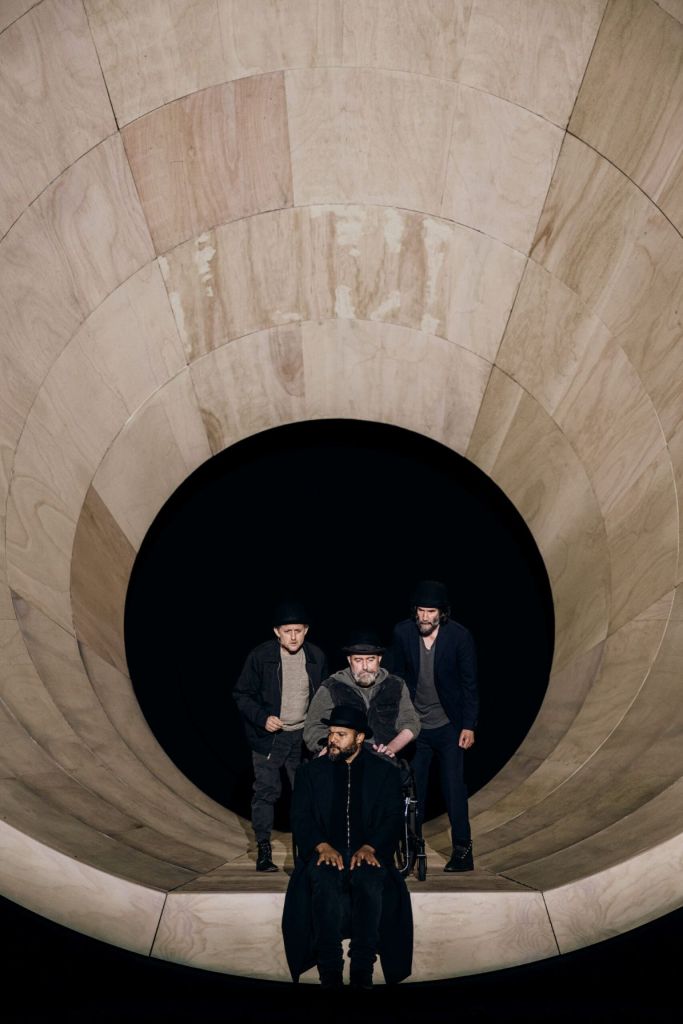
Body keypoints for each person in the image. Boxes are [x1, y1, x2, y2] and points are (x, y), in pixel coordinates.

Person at [282, 705, 413, 988]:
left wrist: (371, 847)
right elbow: (300, 817)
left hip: (369, 852)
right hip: (325, 851)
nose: (332, 739)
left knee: (370, 879)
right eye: (331, 733)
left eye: (341, 734)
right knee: (324, 879)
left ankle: (362, 970)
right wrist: (321, 845)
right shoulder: (310, 772)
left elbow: (392, 818)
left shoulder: (384, 772)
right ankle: (329, 972)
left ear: (359, 738)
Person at [388, 580, 478, 872]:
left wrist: (469, 725)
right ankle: (413, 849)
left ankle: (463, 851)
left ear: (442, 613)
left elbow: (469, 684)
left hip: (449, 726)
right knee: (415, 791)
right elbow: (396, 678)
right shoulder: (403, 632)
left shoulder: (459, 637)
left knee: (454, 789)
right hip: (417, 728)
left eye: (431, 612)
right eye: (421, 611)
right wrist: (398, 721)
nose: (425, 617)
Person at [233, 600, 327, 872]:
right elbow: (241, 694)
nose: (293, 637)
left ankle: (307, 849)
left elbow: (324, 698)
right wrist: (263, 718)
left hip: (302, 737)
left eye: (298, 630)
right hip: (270, 738)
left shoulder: (316, 656)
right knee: (266, 791)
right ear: (277, 632)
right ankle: (264, 848)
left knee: (307, 794)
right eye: (287, 631)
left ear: (306, 630)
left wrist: (321, 734)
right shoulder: (261, 656)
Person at [303, 630, 420, 759]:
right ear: (349, 660)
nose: (365, 667)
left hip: (385, 759)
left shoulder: (396, 685)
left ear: (379, 659)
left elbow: (410, 723)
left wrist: (390, 749)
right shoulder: (332, 686)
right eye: (358, 660)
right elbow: (312, 727)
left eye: (370, 659)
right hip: (344, 759)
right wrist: (330, 748)